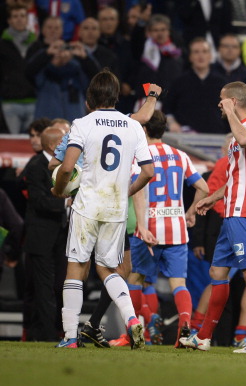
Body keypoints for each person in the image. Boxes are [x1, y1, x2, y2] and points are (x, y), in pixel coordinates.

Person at [52, 69, 154, 349]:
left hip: (87, 205)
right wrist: (126, 191)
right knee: (109, 268)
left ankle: (70, 336)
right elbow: (148, 172)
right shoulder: (133, 125)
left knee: (76, 266)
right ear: (117, 97)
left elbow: (68, 166)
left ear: (89, 100)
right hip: (116, 208)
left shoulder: (82, 123)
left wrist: (60, 189)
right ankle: (133, 320)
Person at [180, 81, 246, 354]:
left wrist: (231, 112)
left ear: (233, 100)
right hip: (231, 214)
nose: (219, 104)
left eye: (222, 99)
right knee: (217, 272)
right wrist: (211, 198)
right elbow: (233, 179)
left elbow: (245, 142)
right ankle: (204, 336)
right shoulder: (234, 138)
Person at [123, 110, 208, 348]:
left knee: (136, 277)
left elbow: (138, 190)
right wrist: (190, 212)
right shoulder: (180, 155)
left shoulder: (140, 156)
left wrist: (141, 225)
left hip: (148, 227)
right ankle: (184, 329)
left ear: (144, 130)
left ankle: (135, 330)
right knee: (178, 283)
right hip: (176, 228)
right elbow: (203, 188)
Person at [22, 127, 68, 342]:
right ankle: (47, 336)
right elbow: (39, 200)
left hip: (59, 236)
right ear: (53, 146)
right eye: (63, 141)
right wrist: (66, 203)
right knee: (43, 288)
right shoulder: (36, 166)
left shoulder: (64, 166)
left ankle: (58, 330)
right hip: (41, 238)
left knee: (59, 286)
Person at [165, 38, 227, 134]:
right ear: (190, 57)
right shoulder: (179, 82)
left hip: (217, 137)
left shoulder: (222, 83)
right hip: (185, 138)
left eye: (204, 51)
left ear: (210, 56)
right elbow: (167, 109)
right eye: (196, 52)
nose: (200, 55)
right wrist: (173, 124)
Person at [0, 4, 38, 134]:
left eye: (22, 16)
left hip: (34, 101)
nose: (19, 19)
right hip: (9, 102)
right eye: (15, 16)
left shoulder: (37, 44)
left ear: (27, 19)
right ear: (9, 20)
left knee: (33, 144)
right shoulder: (2, 44)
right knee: (12, 145)